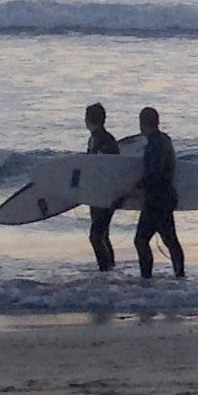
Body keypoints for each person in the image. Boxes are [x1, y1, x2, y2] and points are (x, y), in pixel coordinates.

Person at [131, 105, 185, 281]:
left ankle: (147, 279)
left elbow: (155, 172)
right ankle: (180, 276)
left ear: (142, 124)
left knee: (141, 240)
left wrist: (135, 188)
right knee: (170, 239)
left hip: (157, 199)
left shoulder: (155, 144)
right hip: (166, 197)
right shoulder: (164, 139)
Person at [81, 102, 121, 272]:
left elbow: (108, 168)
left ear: (88, 120)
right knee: (103, 234)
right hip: (98, 195)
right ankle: (109, 269)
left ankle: (105, 270)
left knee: (96, 236)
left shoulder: (105, 140)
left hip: (105, 195)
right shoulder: (96, 138)